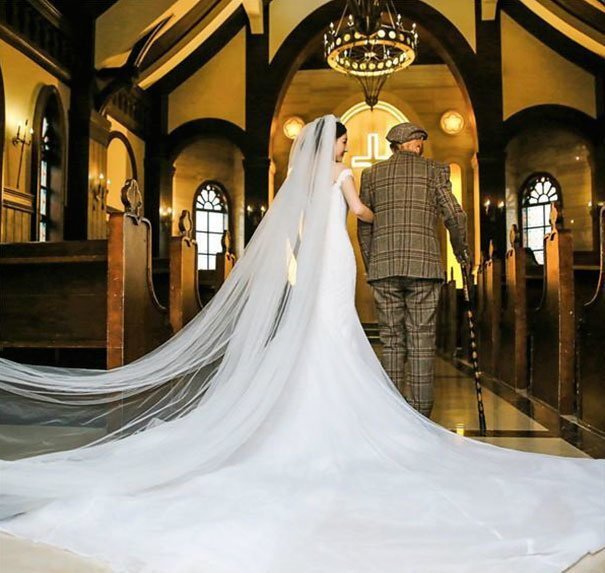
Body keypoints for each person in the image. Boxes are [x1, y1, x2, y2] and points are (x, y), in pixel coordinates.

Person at [0, 116, 602, 573]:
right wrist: (433, 239)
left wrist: (376, 243)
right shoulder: (377, 174)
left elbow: (331, 221)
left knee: (359, 335)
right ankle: (405, 413)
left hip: (347, 263)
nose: (346, 147)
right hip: (378, 259)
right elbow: (397, 214)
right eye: (342, 140)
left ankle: (384, 404)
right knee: (380, 335)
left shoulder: (321, 176)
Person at [358, 122, 468, 417]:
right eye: (420, 142)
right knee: (421, 339)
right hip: (424, 267)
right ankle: (420, 416)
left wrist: (373, 265)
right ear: (415, 144)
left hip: (384, 267)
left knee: (392, 340)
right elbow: (455, 216)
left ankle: (393, 414)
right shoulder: (435, 171)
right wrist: (462, 253)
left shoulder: (371, 175)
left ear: (394, 146)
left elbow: (364, 227)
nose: (421, 146)